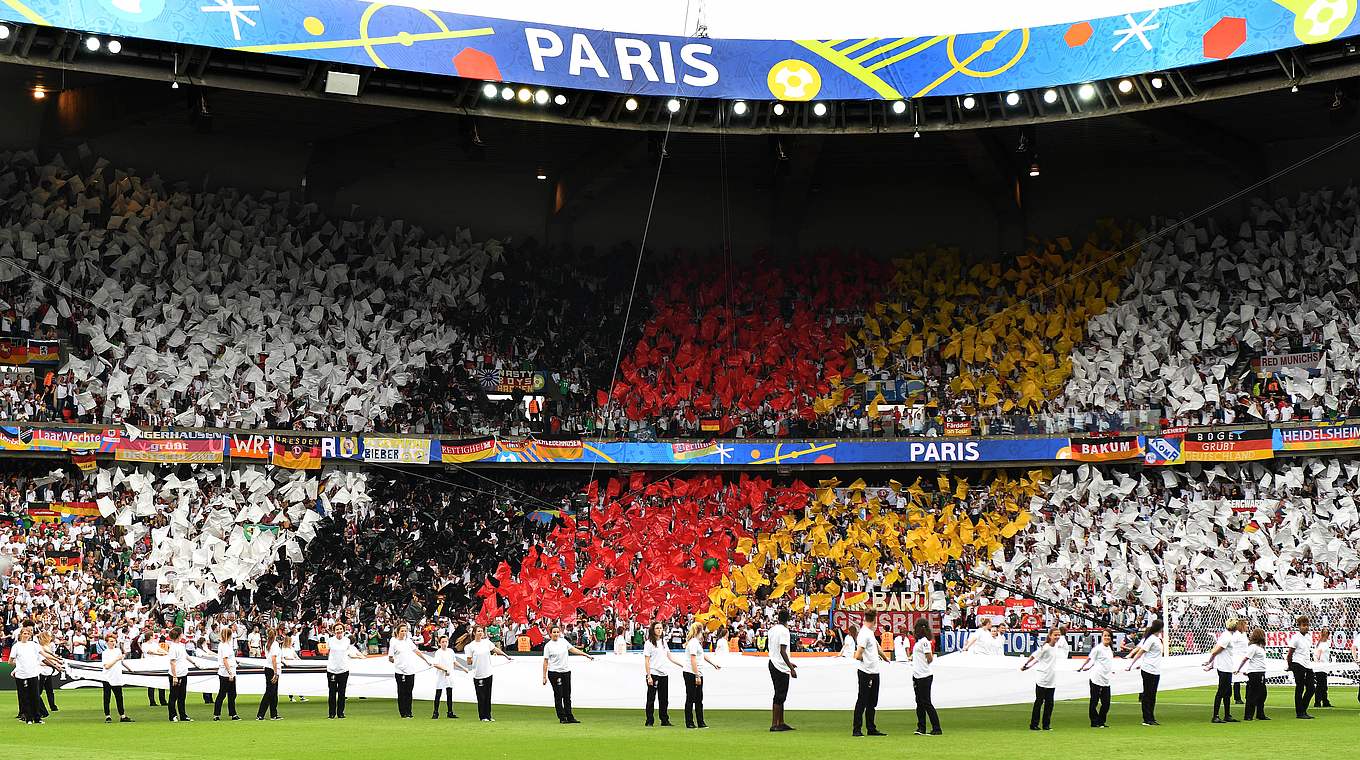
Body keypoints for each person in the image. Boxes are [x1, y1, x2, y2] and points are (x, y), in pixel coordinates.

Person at [543, 624, 593, 724]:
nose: (556, 634)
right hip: (555, 673)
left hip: (566, 672)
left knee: (567, 695)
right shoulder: (548, 646)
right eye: (554, 632)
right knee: (559, 695)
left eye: (557, 632)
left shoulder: (563, 642)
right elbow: (545, 662)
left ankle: (570, 716)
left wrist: (585, 654)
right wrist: (544, 676)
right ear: (550, 633)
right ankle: (562, 717)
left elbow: (572, 649)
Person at [464, 624, 512, 722]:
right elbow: (469, 661)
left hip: (488, 672)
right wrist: (473, 660)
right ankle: (482, 716)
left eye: (481, 631)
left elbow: (495, 649)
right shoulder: (470, 646)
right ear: (474, 633)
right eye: (478, 631)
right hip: (478, 674)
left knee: (488, 695)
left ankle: (488, 715)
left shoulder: (486, 642)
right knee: (481, 696)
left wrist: (505, 655)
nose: (480, 633)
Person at [388, 622, 434, 719]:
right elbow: (390, 657)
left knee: (409, 691)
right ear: (398, 632)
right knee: (401, 692)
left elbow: (416, 651)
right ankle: (403, 712)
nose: (404, 633)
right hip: (400, 671)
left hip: (410, 670)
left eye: (405, 631)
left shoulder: (408, 641)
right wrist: (395, 661)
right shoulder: (394, 641)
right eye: (402, 631)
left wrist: (426, 660)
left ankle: (409, 712)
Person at [852, 610, 886, 737]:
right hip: (866, 672)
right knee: (862, 700)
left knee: (872, 702)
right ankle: (857, 729)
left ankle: (871, 728)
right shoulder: (864, 634)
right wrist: (867, 661)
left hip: (874, 671)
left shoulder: (870, 633)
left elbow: (877, 648)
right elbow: (858, 655)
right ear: (874, 620)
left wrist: (885, 658)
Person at [643, 621, 684, 727]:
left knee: (664, 699)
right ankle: (649, 720)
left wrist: (682, 665)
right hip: (654, 673)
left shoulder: (663, 642)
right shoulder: (649, 643)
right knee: (651, 698)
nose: (659, 630)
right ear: (653, 630)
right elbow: (647, 660)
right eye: (657, 628)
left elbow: (670, 656)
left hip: (663, 673)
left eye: (661, 628)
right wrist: (649, 676)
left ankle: (664, 719)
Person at [682, 622, 721, 729]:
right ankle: (690, 722)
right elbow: (693, 659)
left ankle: (700, 721)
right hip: (691, 672)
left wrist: (713, 664)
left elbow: (702, 655)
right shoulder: (693, 643)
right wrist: (697, 675)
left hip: (696, 672)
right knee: (691, 697)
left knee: (698, 698)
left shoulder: (696, 643)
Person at [11, 626, 54, 724]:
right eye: (24, 634)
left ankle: (37, 718)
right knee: (25, 697)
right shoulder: (16, 646)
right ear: (21, 635)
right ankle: (28, 718)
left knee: (35, 696)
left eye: (28, 634)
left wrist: (55, 658)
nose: (26, 636)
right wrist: (19, 666)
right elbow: (11, 660)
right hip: (21, 675)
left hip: (33, 674)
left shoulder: (33, 645)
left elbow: (44, 654)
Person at [1126, 619, 1165, 726]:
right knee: (1147, 694)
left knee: (1152, 695)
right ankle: (1146, 718)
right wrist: (1131, 664)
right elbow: (1140, 652)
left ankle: (1151, 717)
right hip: (1148, 669)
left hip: (1156, 670)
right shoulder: (1151, 639)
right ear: (1160, 628)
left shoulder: (1157, 639)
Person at [1021, 628, 1060, 731]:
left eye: (1058, 635)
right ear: (1050, 635)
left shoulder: (1056, 647)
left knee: (1050, 703)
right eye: (1055, 635)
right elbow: (1035, 656)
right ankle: (1034, 724)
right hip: (1042, 678)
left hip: (1051, 679)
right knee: (1039, 702)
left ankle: (1046, 724)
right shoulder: (1045, 647)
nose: (1057, 637)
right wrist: (1026, 665)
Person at [325, 622, 366, 719]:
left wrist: (359, 657)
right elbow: (326, 652)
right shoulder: (330, 640)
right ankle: (331, 713)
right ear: (334, 631)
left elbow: (349, 653)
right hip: (332, 669)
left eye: (340, 629)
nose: (339, 631)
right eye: (337, 629)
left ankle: (340, 713)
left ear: (343, 630)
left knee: (342, 693)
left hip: (343, 670)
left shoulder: (347, 641)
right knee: (332, 692)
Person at [766, 607, 797, 732]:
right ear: (788, 619)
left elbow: (773, 649)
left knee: (780, 694)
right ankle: (775, 724)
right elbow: (782, 650)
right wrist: (790, 668)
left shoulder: (772, 630)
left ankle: (780, 722)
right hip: (780, 666)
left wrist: (789, 663)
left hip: (773, 662)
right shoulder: (784, 631)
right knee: (780, 695)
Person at [1203, 618, 1240, 723]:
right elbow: (1215, 651)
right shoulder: (1226, 637)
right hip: (1224, 667)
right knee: (1221, 691)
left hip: (1227, 667)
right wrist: (1209, 662)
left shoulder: (1226, 636)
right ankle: (1216, 716)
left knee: (1227, 692)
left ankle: (1227, 715)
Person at [911, 618, 941, 736]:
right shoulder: (920, 642)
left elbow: (929, 658)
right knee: (919, 702)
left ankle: (936, 727)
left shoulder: (924, 642)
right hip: (918, 674)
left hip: (924, 675)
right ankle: (921, 727)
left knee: (926, 702)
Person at [1078, 629, 1114, 728]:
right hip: (1096, 677)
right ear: (1102, 637)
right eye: (1105, 636)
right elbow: (1090, 659)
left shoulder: (1109, 649)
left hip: (1106, 679)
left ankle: (1101, 721)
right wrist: (1084, 667)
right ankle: (1094, 721)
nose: (1107, 638)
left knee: (1106, 703)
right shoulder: (1098, 648)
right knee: (1094, 701)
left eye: (1108, 636)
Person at [1234, 626, 1270, 721]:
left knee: (1262, 694)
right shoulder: (1253, 648)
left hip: (1259, 671)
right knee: (1254, 694)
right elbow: (1246, 659)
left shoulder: (1259, 647)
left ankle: (1259, 713)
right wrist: (1239, 669)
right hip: (1256, 672)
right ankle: (1249, 715)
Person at [1285, 615, 1315, 719]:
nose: (1306, 627)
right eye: (1303, 625)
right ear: (1299, 626)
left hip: (1307, 664)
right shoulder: (1295, 638)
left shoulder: (1308, 637)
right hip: (1298, 664)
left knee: (1311, 688)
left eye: (1307, 625)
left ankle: (1303, 709)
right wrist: (1290, 666)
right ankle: (1300, 712)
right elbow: (1290, 654)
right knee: (1300, 688)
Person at [432, 634, 469, 719]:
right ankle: (435, 712)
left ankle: (450, 712)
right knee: (438, 693)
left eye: (446, 641)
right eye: (443, 642)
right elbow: (436, 664)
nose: (444, 643)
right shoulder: (438, 652)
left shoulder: (450, 651)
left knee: (449, 693)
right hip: (441, 675)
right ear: (439, 643)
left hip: (449, 675)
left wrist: (463, 668)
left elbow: (454, 662)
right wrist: (445, 669)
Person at [100, 632, 133, 723]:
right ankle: (107, 716)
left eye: (114, 641)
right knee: (107, 697)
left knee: (119, 697)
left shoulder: (117, 650)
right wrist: (116, 659)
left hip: (116, 677)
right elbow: (107, 666)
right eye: (111, 641)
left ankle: (122, 715)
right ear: (107, 642)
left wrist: (129, 669)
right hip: (107, 678)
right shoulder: (105, 653)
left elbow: (121, 662)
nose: (113, 643)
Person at [256, 628, 284, 721]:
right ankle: (261, 714)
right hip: (272, 669)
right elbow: (274, 659)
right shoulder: (275, 644)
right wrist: (275, 673)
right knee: (270, 692)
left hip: (269, 668)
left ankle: (273, 714)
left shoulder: (268, 643)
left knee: (273, 693)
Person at [213, 626, 240, 721]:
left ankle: (232, 713)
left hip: (228, 671)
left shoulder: (225, 645)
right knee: (223, 694)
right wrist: (230, 673)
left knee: (231, 694)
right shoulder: (225, 646)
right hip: (226, 672)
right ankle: (217, 714)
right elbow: (225, 660)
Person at [165, 626, 192, 722]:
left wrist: (195, 663)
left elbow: (185, 656)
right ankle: (172, 715)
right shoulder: (173, 647)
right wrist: (175, 676)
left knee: (182, 696)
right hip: (176, 674)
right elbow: (172, 662)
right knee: (173, 696)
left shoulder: (181, 645)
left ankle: (183, 715)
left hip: (183, 673)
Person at [140, 628, 168, 707]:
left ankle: (163, 700)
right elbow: (150, 652)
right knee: (151, 683)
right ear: (150, 637)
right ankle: (152, 701)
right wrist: (159, 654)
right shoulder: (144, 645)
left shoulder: (154, 644)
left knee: (161, 682)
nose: (154, 637)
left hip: (157, 664)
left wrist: (167, 653)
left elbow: (160, 650)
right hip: (150, 665)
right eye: (153, 636)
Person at [37, 631, 59, 714]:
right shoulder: (40, 647)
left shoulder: (49, 646)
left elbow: (50, 657)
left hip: (48, 671)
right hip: (41, 671)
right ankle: (39, 707)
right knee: (38, 691)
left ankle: (53, 706)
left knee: (50, 690)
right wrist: (55, 663)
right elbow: (42, 660)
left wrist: (55, 662)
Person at [1313, 627, 1333, 708]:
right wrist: (1318, 661)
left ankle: (1324, 701)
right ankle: (1318, 702)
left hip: (1322, 667)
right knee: (1321, 685)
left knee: (1322, 685)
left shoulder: (1321, 643)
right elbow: (1318, 653)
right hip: (1321, 667)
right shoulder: (1323, 644)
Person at [1231, 619, 1249, 705]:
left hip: (1245, 657)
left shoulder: (1244, 634)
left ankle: (1248, 696)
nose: (1247, 626)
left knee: (1248, 677)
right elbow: (1231, 645)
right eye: (1246, 625)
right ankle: (1237, 698)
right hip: (1237, 657)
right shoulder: (1236, 635)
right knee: (1237, 678)